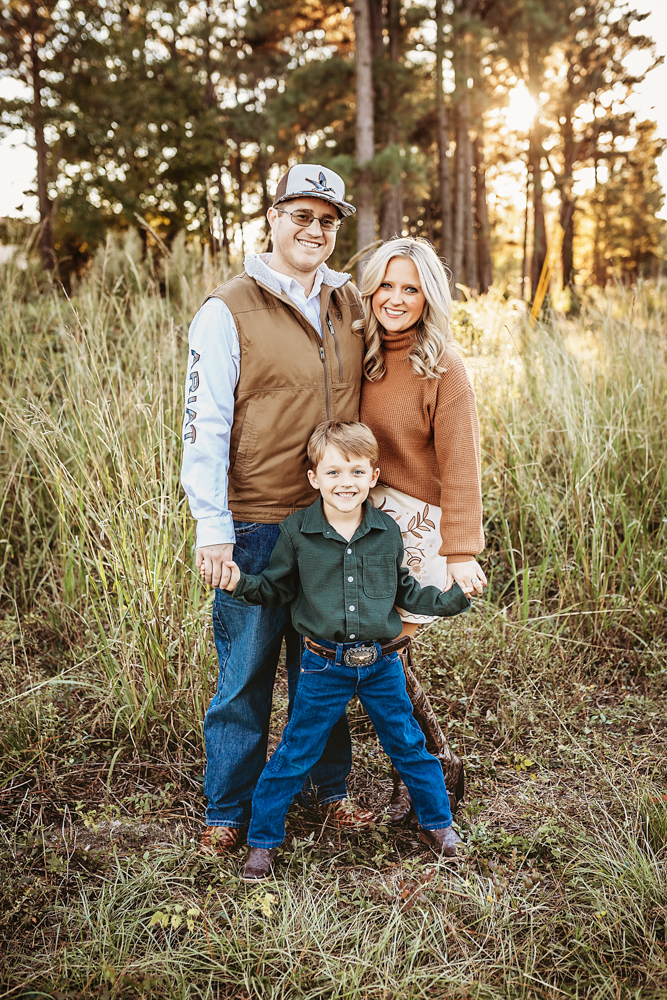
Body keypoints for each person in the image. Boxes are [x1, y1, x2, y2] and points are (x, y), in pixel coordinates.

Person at [181, 164, 373, 855]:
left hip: (332, 523)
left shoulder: (348, 302)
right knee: (245, 676)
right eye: (300, 215)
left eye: (327, 220)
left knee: (324, 668)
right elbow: (202, 425)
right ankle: (226, 810)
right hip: (256, 524)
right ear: (272, 216)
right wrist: (213, 529)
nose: (313, 230)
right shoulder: (227, 308)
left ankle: (332, 795)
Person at [221, 420, 472, 882]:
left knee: (409, 747)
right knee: (294, 752)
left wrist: (454, 598)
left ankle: (439, 826)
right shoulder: (297, 532)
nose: (346, 483)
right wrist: (240, 583)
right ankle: (261, 843)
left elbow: (407, 591)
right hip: (322, 665)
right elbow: (276, 588)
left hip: (381, 665)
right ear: (314, 477)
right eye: (334, 473)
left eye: (357, 472)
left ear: (374, 477)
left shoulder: (385, 532)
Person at [357, 237, 487, 822]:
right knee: (376, 656)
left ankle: (428, 769)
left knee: (384, 650)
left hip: (418, 524)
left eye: (411, 288)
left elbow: (462, 464)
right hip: (363, 516)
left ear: (429, 296)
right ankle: (432, 767)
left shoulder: (444, 367)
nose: (396, 298)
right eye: (386, 284)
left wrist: (460, 551)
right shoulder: (361, 354)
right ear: (370, 289)